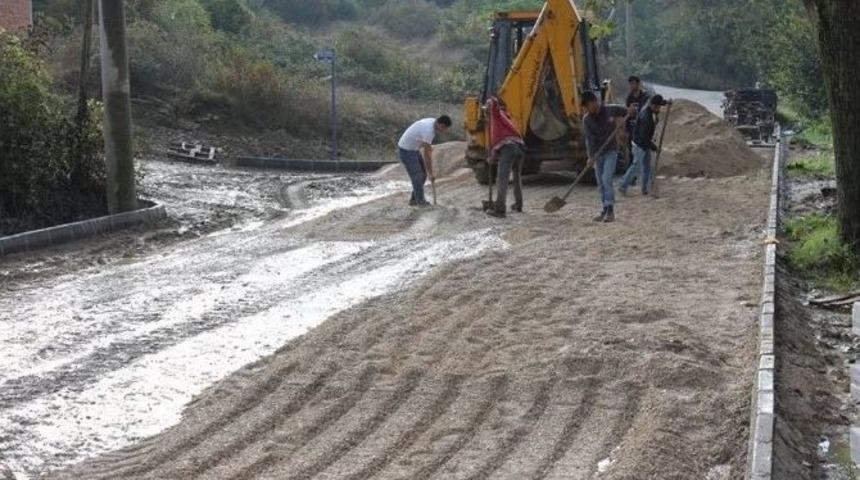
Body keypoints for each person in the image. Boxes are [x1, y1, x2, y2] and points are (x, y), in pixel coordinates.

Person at [582, 91, 628, 223]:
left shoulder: (609, 110)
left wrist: (631, 111)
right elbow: (589, 140)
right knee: (601, 183)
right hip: (597, 154)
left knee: (607, 179)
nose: (587, 109)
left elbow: (626, 111)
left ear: (593, 102)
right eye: (585, 107)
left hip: (611, 151)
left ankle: (610, 211)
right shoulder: (587, 120)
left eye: (587, 105)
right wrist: (591, 156)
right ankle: (604, 209)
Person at [619, 95, 669, 196]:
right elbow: (644, 137)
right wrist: (655, 148)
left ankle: (645, 189)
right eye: (658, 107)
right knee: (636, 166)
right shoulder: (646, 117)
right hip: (639, 144)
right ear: (653, 106)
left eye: (660, 107)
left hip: (645, 144)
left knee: (647, 167)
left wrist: (667, 102)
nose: (659, 109)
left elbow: (659, 101)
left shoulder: (650, 107)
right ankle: (622, 186)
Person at [397, 116, 452, 206]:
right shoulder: (428, 131)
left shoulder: (433, 122)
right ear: (441, 125)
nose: (444, 131)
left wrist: (428, 173)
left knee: (423, 174)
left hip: (414, 149)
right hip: (406, 151)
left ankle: (414, 199)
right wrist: (431, 173)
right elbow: (427, 155)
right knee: (417, 176)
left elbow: (427, 149)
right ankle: (420, 202)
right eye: (444, 128)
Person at [485, 97, 526, 218]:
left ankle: (500, 209)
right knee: (517, 177)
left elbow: (494, 105)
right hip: (519, 147)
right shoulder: (506, 118)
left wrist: (490, 101)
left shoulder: (497, 116)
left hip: (509, 148)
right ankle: (518, 205)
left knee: (502, 178)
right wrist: (493, 156)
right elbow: (500, 141)